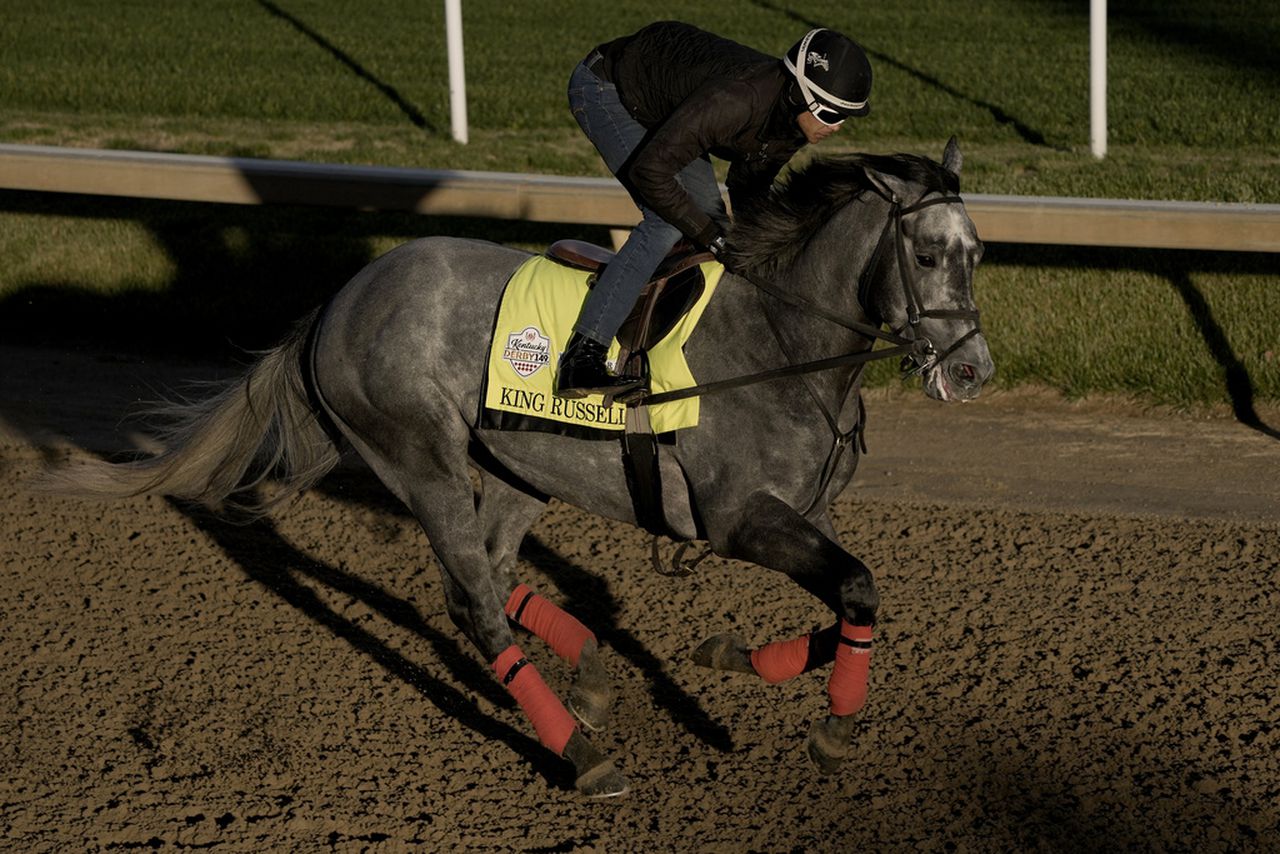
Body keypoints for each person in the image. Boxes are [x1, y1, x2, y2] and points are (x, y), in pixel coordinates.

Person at [556, 21, 873, 398]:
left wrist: (758, 245)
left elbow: (747, 185)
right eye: (832, 115)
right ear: (801, 95)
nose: (836, 128)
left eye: (844, 117)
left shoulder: (793, 119)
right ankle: (583, 356)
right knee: (666, 222)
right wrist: (711, 236)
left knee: (714, 223)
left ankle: (684, 344)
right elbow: (649, 172)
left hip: (670, 103)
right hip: (607, 89)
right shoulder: (735, 102)